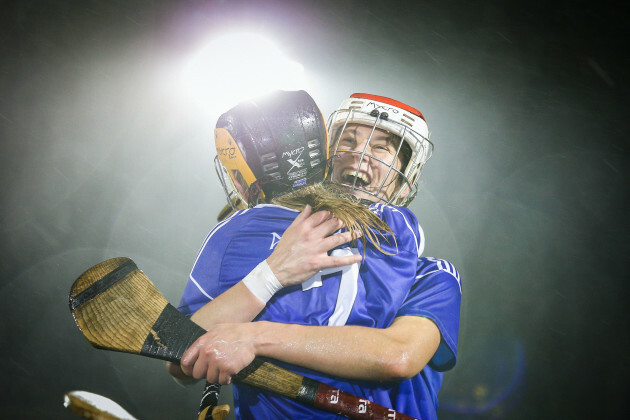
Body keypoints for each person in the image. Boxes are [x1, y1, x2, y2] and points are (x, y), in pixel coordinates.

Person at [169, 92, 462, 420]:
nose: (359, 154)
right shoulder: (253, 235)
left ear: (403, 186)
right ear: (325, 160)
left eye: (381, 147)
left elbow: (398, 356)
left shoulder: (432, 276)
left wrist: (253, 337)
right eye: (348, 140)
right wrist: (270, 274)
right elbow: (180, 358)